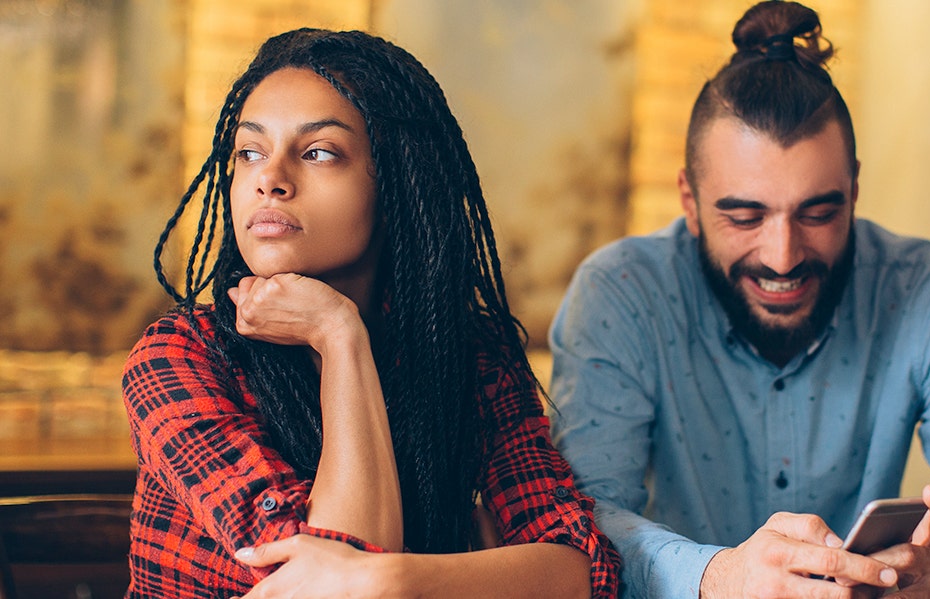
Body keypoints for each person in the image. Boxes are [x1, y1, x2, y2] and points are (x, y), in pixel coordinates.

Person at [549, 2, 930, 598]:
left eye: (819, 212)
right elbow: (579, 520)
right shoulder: (621, 294)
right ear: (690, 202)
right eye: (745, 216)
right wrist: (717, 578)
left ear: (854, 187)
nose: (783, 256)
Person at [122, 28, 618, 598]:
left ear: (397, 183)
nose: (270, 180)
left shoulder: (472, 356)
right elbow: (325, 590)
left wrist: (395, 577)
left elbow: (583, 570)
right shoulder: (180, 356)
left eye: (318, 153)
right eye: (250, 152)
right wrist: (339, 335)